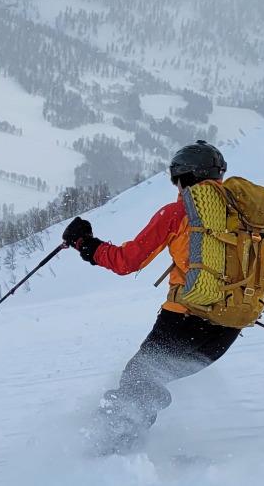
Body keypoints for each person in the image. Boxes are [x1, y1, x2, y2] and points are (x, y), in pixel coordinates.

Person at [61, 140, 242, 455]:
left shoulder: (178, 213)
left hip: (185, 319)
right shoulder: (243, 214)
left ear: (185, 178)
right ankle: (123, 447)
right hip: (228, 327)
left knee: (138, 380)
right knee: (149, 383)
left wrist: (85, 244)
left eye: (177, 179)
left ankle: (106, 455)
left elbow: (127, 261)